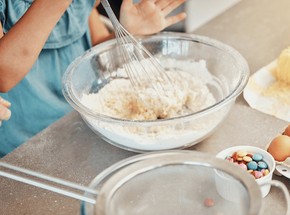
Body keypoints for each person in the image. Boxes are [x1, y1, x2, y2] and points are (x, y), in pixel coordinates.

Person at [0, 0, 186, 157]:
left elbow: (95, 60)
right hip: (23, 149)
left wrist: (128, 34)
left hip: (83, 130)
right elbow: (3, 74)